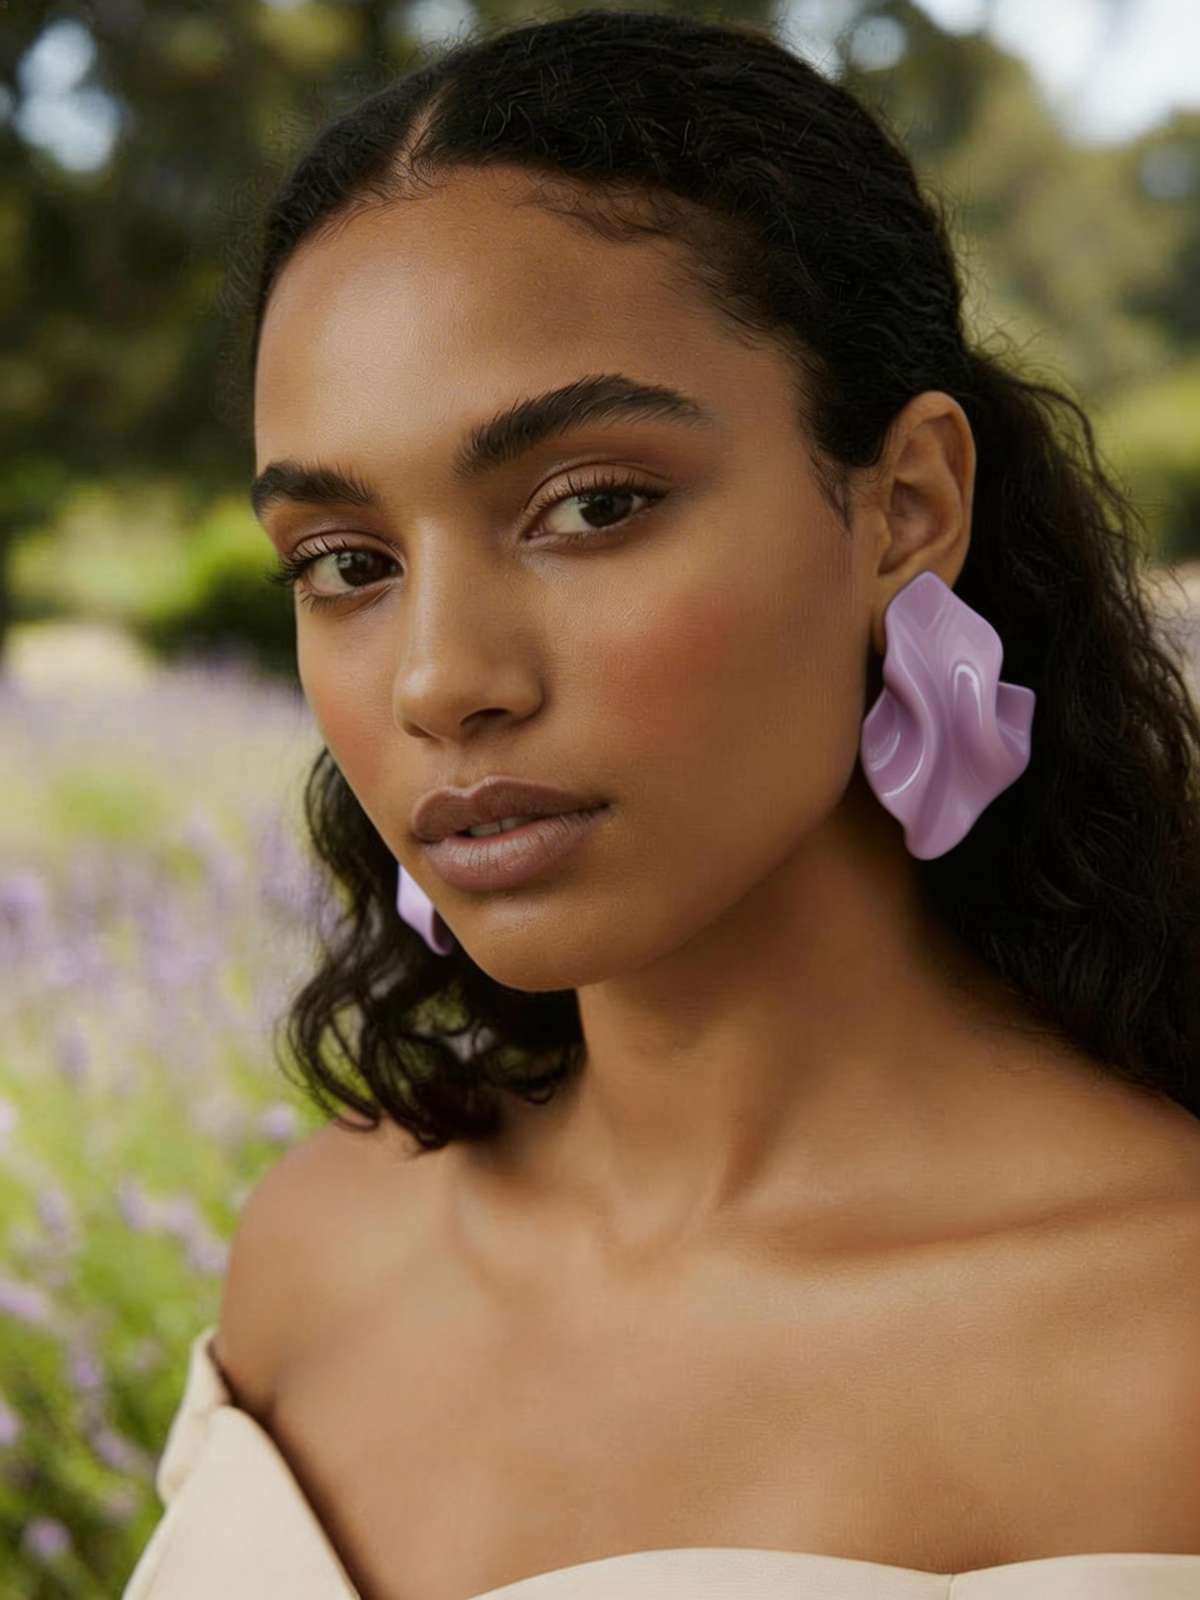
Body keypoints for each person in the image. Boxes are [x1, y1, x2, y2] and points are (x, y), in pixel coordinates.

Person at [122, 9, 1200, 1599]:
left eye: (591, 506)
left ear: (906, 507)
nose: (439, 681)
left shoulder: (1161, 1339)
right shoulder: (317, 1253)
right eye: (347, 562)